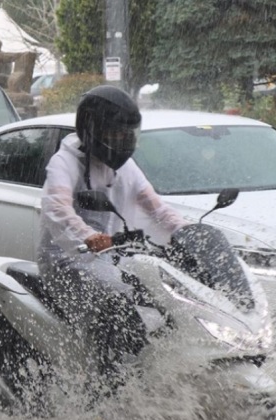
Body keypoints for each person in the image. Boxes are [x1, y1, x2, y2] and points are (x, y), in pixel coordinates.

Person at [36, 85, 188, 387]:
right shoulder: (65, 162)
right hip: (67, 261)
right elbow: (57, 207)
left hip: (109, 260)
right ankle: (105, 386)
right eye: (116, 134)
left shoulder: (126, 167)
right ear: (93, 130)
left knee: (164, 305)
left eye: (128, 134)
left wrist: (186, 232)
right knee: (120, 313)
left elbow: (156, 207)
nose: (123, 141)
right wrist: (88, 235)